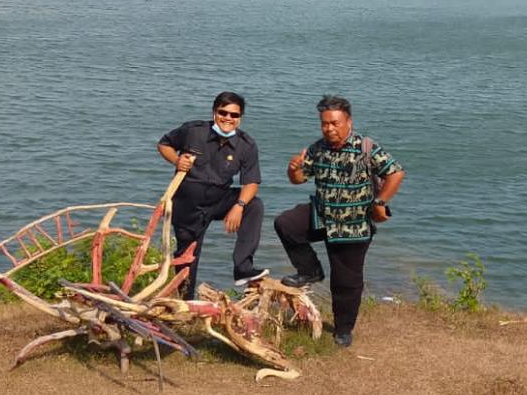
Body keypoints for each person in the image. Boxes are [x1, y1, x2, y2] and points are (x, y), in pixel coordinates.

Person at [274, 95, 405, 347]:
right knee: (286, 224)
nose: (329, 128)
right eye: (325, 123)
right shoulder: (317, 148)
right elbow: (299, 179)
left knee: (346, 281)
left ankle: (343, 329)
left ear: (348, 121)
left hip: (353, 226)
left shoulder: (366, 147)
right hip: (322, 216)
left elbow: (396, 172)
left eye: (334, 123)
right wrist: (293, 168)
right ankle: (310, 271)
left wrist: (379, 203)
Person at [157, 92, 267, 297]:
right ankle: (185, 303)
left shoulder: (246, 144)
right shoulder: (193, 131)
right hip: (187, 205)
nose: (228, 118)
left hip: (219, 200)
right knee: (187, 257)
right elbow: (164, 144)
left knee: (255, 205)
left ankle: (243, 268)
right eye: (223, 112)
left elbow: (251, 182)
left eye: (234, 115)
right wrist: (176, 160)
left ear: (240, 118)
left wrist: (239, 205)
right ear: (214, 112)